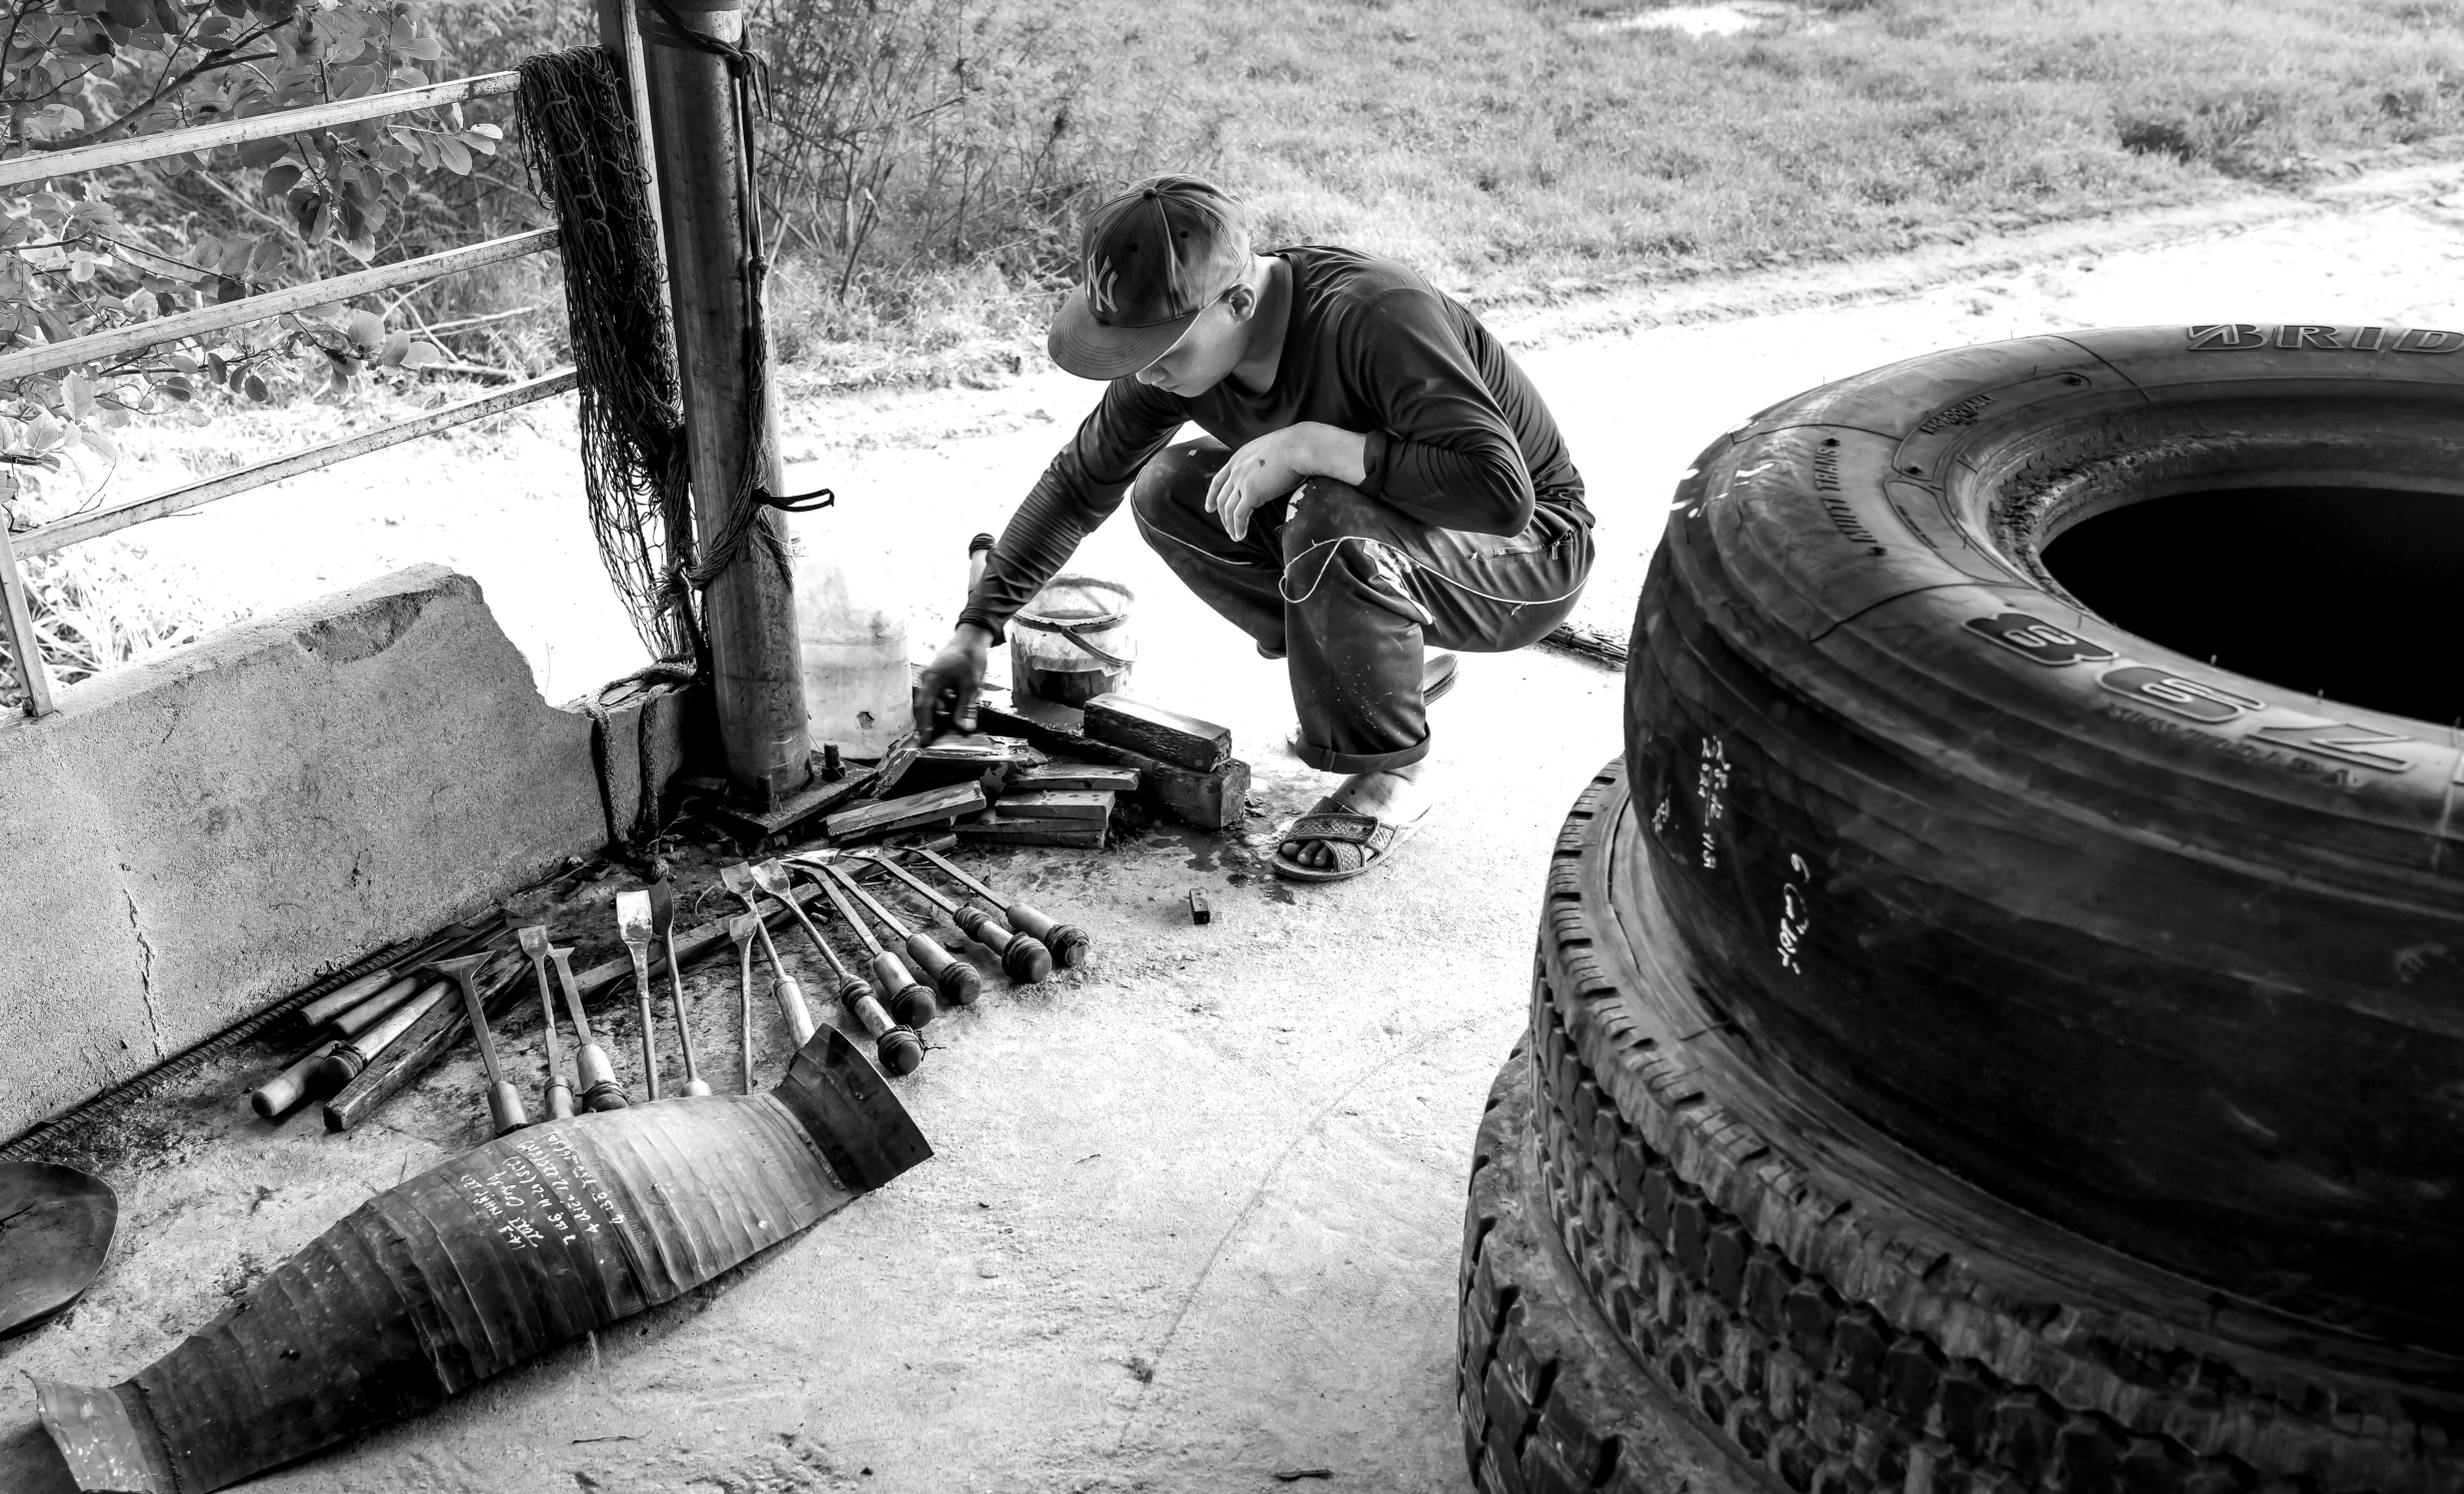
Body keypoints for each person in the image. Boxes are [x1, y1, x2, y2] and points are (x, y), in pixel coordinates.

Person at [912, 174, 1591, 882]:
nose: (1146, 374)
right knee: (1168, 488)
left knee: (1327, 517)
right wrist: (974, 630)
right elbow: (1078, 484)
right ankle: (1381, 670)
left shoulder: (1374, 313)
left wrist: (1310, 446)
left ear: (1238, 300)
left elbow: (1499, 493)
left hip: (1528, 554)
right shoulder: (1176, 363)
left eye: (1163, 350)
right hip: (1400, 531)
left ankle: (1392, 777)